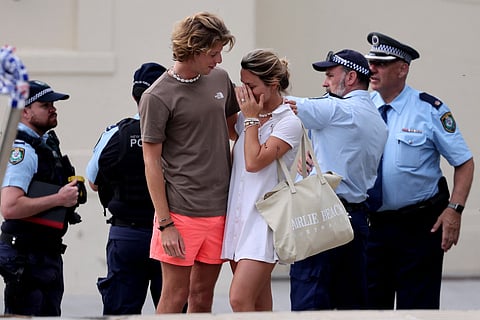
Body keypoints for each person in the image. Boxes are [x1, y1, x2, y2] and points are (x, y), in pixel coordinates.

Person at [364, 32, 474, 310]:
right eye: (370, 62)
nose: (372, 69)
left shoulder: (429, 110)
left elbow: (463, 162)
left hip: (418, 226)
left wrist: (455, 210)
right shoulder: (360, 108)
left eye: (382, 63)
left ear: (403, 69)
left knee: (418, 310)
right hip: (370, 227)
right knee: (368, 310)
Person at [138, 12, 238, 314]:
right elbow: (151, 163)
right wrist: (165, 223)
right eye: (213, 52)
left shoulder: (220, 79)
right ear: (193, 49)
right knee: (174, 296)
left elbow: (237, 130)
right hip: (180, 214)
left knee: (203, 294)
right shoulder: (157, 96)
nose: (219, 60)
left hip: (221, 209)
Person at [285, 49, 388, 310]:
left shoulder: (338, 109)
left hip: (324, 217)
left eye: (330, 75)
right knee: (351, 306)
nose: (324, 82)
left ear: (351, 77)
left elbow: (278, 104)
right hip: (356, 220)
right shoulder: (376, 118)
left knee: (310, 302)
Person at [221, 49, 303, 312]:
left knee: (238, 298)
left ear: (273, 85)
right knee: (258, 302)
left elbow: (254, 161)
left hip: (265, 222)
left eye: (251, 86)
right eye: (242, 83)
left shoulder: (288, 123)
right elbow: (222, 126)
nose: (245, 91)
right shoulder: (248, 115)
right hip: (238, 217)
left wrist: (252, 119)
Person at [85, 62, 166, 315]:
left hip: (127, 235)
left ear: (134, 96)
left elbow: (93, 182)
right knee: (175, 311)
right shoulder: (179, 133)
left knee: (120, 312)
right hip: (170, 235)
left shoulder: (115, 134)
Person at [0, 80, 85, 316]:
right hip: (27, 258)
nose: (53, 108)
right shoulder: (22, 150)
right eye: (45, 105)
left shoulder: (44, 145)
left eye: (53, 104)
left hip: (45, 254)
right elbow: (10, 206)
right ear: (25, 112)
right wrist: (59, 199)